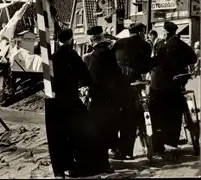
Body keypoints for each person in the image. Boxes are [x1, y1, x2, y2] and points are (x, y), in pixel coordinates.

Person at [47, 28, 112, 177]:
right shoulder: (72, 55)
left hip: (56, 102)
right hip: (71, 100)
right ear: (71, 39)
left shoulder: (52, 57)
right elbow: (86, 78)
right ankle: (83, 166)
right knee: (85, 130)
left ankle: (63, 167)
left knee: (61, 135)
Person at [149, 21, 198, 154]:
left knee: (157, 110)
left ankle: (158, 143)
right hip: (178, 84)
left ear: (166, 33)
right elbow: (193, 58)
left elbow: (156, 62)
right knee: (176, 110)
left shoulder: (163, 47)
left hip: (163, 85)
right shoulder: (182, 45)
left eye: (163, 32)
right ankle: (174, 139)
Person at [111, 22, 152, 159]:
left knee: (116, 114)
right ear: (141, 32)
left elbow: (111, 61)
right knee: (133, 115)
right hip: (135, 83)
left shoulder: (119, 43)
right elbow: (146, 67)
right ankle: (127, 151)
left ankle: (115, 148)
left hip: (119, 83)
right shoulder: (146, 45)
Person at [85, 26, 125, 157]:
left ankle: (100, 153)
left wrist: (89, 93)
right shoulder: (109, 53)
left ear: (92, 40)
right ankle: (114, 148)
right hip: (112, 95)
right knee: (112, 123)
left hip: (99, 96)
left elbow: (93, 79)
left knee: (97, 123)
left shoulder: (94, 56)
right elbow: (118, 74)